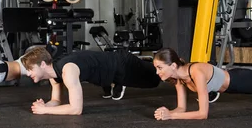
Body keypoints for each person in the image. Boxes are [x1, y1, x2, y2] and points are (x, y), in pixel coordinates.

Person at [153, 47, 252, 121]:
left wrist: (172, 116)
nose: (157, 72)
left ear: (173, 66)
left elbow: (202, 114)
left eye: (159, 68)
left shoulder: (196, 72)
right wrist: (167, 112)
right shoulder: (179, 79)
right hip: (234, 86)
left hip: (242, 80)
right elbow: (181, 108)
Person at [21, 47, 161, 115]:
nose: (27, 73)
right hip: (111, 73)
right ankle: (115, 83)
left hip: (122, 64)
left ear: (43, 64)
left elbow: (76, 109)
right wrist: (46, 105)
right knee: (154, 79)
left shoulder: (68, 70)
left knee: (156, 79)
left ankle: (174, 65)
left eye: (30, 68)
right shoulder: (53, 75)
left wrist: (45, 111)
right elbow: (56, 101)